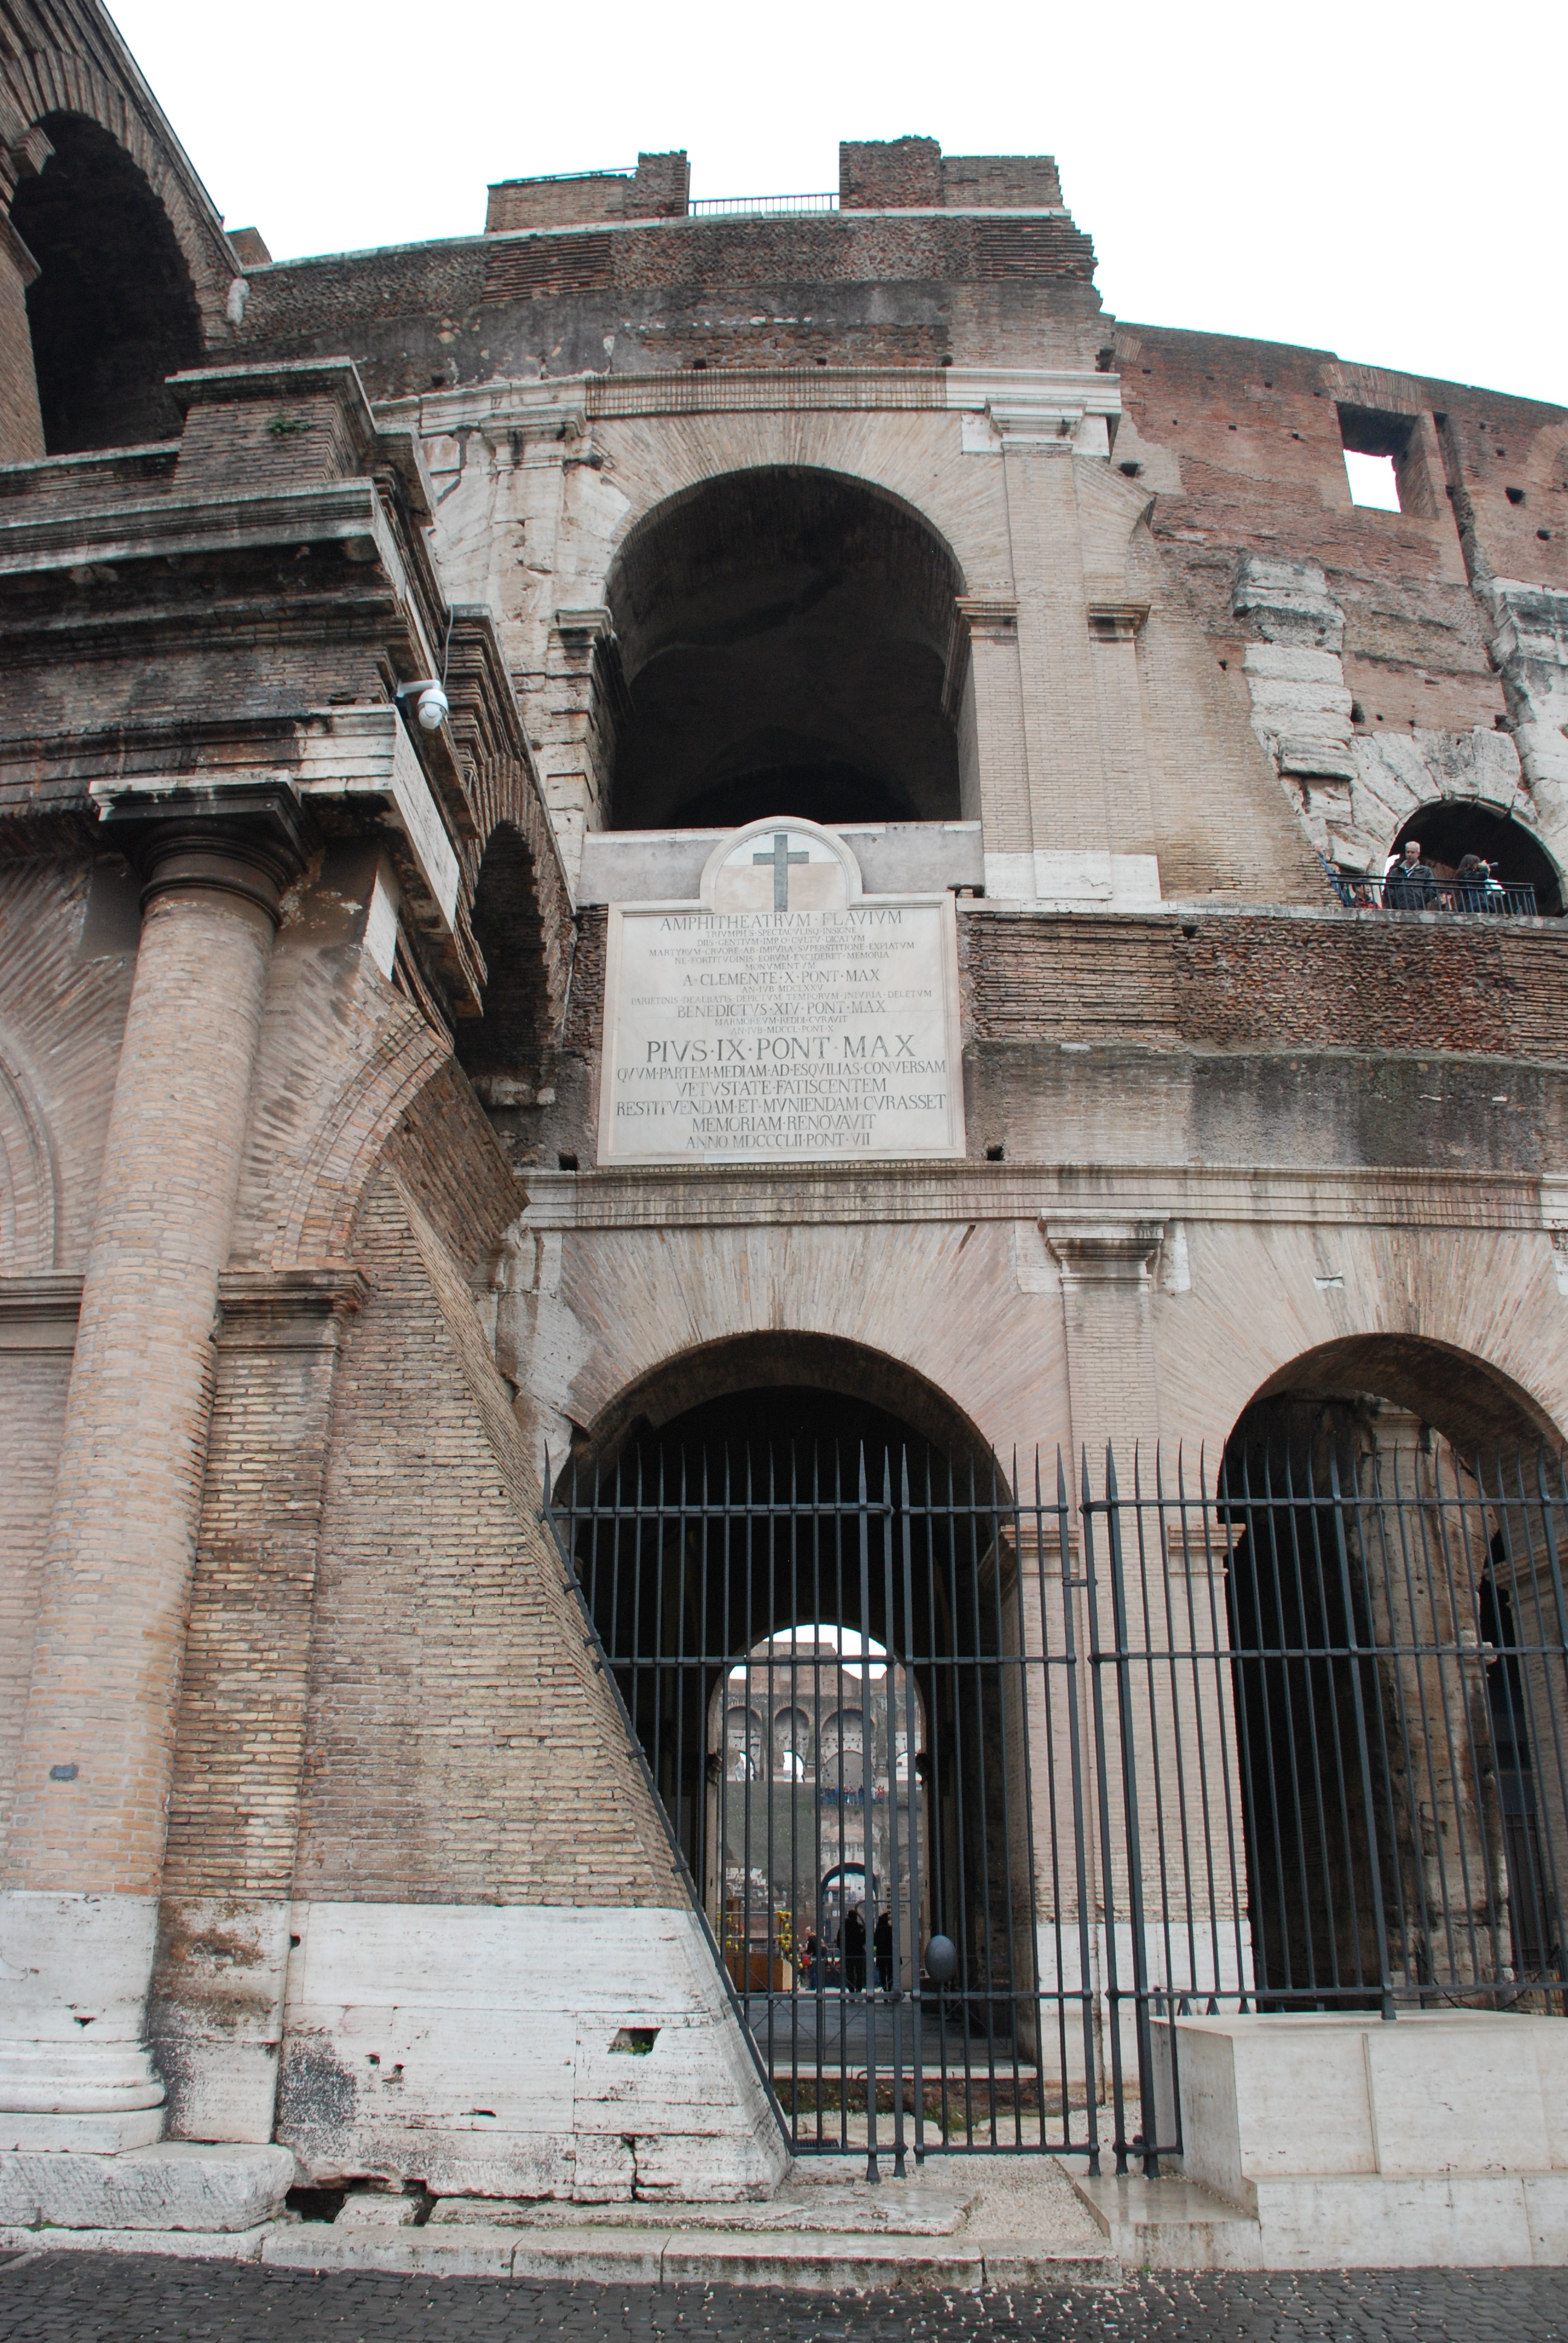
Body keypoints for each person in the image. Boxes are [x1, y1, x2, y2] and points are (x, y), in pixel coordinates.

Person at [1384, 839, 1438, 908]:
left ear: (1418, 854)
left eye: (1413, 852)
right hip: (1398, 908)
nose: (1410, 855)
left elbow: (1432, 889)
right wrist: (1395, 900)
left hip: (1418, 909)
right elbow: (1388, 888)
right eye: (1408, 852)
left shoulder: (1425, 871)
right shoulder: (1396, 871)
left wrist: (1420, 901)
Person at [843, 1899, 866, 1991]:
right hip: (859, 1953)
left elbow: (839, 1940)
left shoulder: (844, 1928)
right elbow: (864, 1939)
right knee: (859, 1972)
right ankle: (859, 1989)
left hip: (848, 1953)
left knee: (850, 1973)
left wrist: (843, 1949)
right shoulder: (859, 1927)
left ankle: (851, 1990)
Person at [873, 1908, 893, 1993]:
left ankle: (885, 1990)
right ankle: (889, 1989)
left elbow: (875, 1942)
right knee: (890, 1973)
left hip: (881, 1954)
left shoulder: (878, 1930)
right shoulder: (891, 1929)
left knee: (882, 1974)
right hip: (890, 1954)